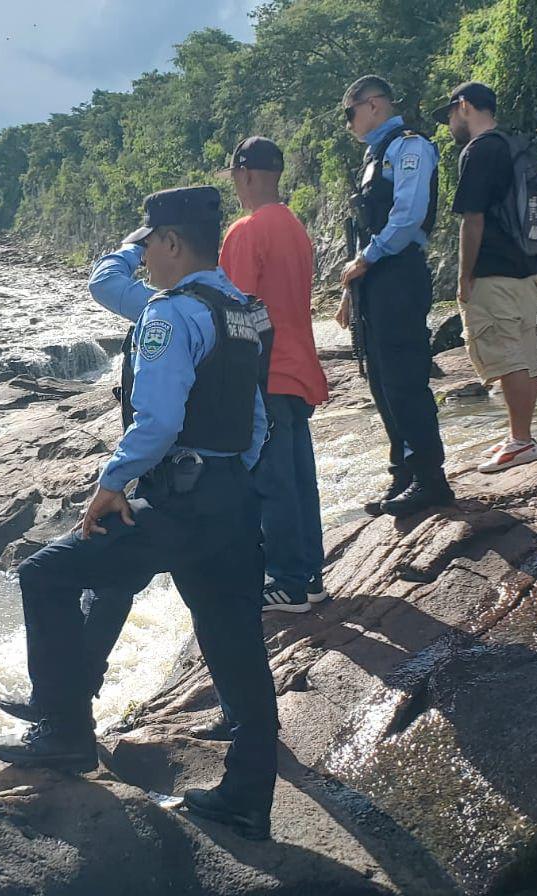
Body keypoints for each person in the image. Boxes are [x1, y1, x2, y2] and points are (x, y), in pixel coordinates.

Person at [0, 187, 278, 841]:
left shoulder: (171, 315)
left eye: (149, 245)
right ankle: (248, 796)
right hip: (232, 498)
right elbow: (258, 419)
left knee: (45, 574)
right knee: (235, 643)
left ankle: (62, 730)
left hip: (178, 502)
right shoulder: (245, 311)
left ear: (172, 242)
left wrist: (112, 481)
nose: (145, 259)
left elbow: (160, 418)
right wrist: (232, 474)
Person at [218, 136, 330, 614]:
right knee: (300, 477)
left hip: (265, 372)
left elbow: (233, 309)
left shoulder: (246, 230)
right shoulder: (294, 226)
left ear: (243, 176)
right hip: (299, 367)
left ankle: (286, 580)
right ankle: (310, 577)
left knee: (272, 482)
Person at [337, 75, 454, 517]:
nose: (348, 124)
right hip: (373, 279)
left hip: (398, 272)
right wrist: (353, 286)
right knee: (381, 380)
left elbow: (408, 216)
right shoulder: (374, 156)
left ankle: (430, 477)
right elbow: (364, 227)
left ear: (373, 105)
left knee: (404, 378)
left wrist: (366, 259)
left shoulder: (410, 147)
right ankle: (403, 473)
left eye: (349, 113)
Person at [434, 81, 537, 473]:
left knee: (506, 353)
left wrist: (464, 278)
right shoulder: (512, 146)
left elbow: (473, 218)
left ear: (464, 106)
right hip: (526, 266)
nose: (449, 124)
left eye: (449, 114)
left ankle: (521, 441)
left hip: (494, 269)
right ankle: (521, 435)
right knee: (525, 354)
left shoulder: (479, 151)